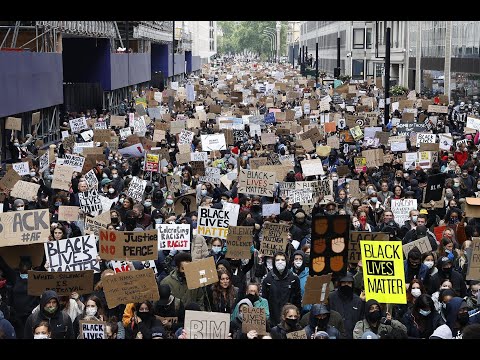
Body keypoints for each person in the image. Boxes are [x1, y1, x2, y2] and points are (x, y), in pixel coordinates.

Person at [261, 251, 302, 327]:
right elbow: (264, 300)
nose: (280, 262)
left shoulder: (294, 278)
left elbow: (298, 299)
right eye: (277, 260)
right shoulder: (267, 279)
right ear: (274, 262)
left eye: (283, 260)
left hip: (290, 318)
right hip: (273, 318)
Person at [328, 273, 364, 339]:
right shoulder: (331, 298)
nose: (346, 285)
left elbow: (361, 320)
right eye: (344, 283)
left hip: (352, 335)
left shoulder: (358, 301)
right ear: (339, 283)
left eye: (349, 283)